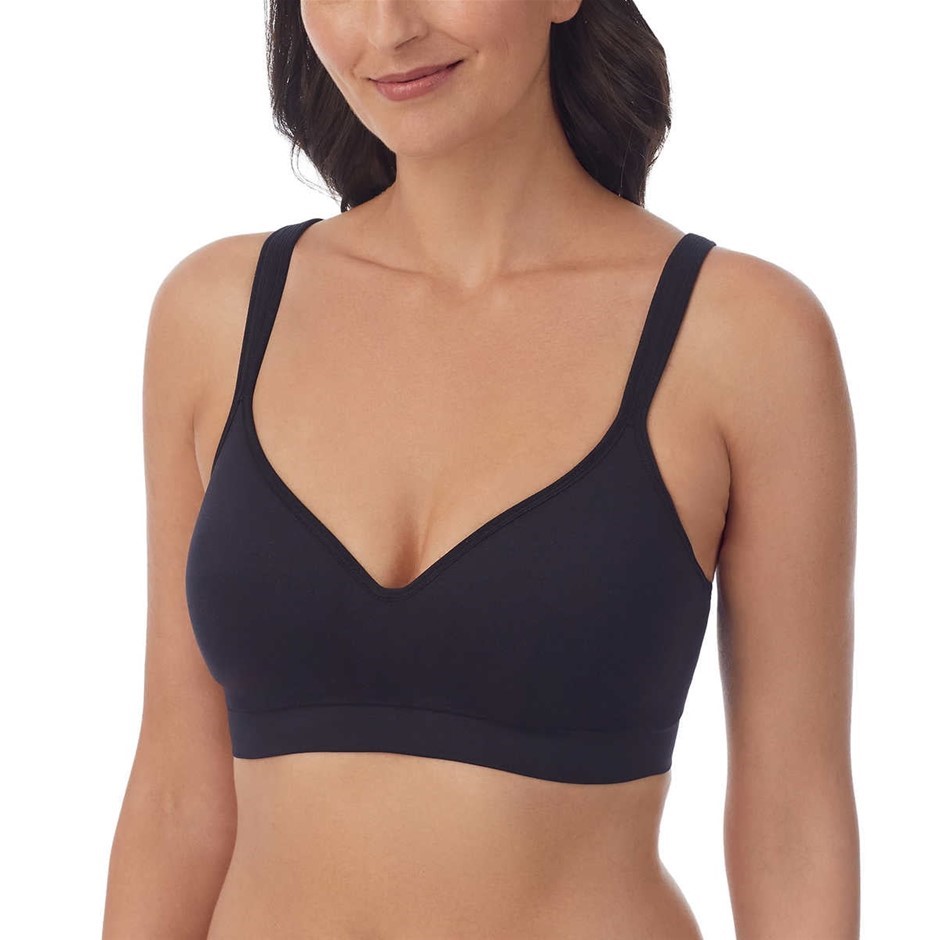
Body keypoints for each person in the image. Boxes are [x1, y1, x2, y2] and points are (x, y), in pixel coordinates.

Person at [103, 1, 860, 937]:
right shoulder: (216, 317)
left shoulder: (743, 338)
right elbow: (176, 796)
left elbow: (791, 822)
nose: (388, 27)